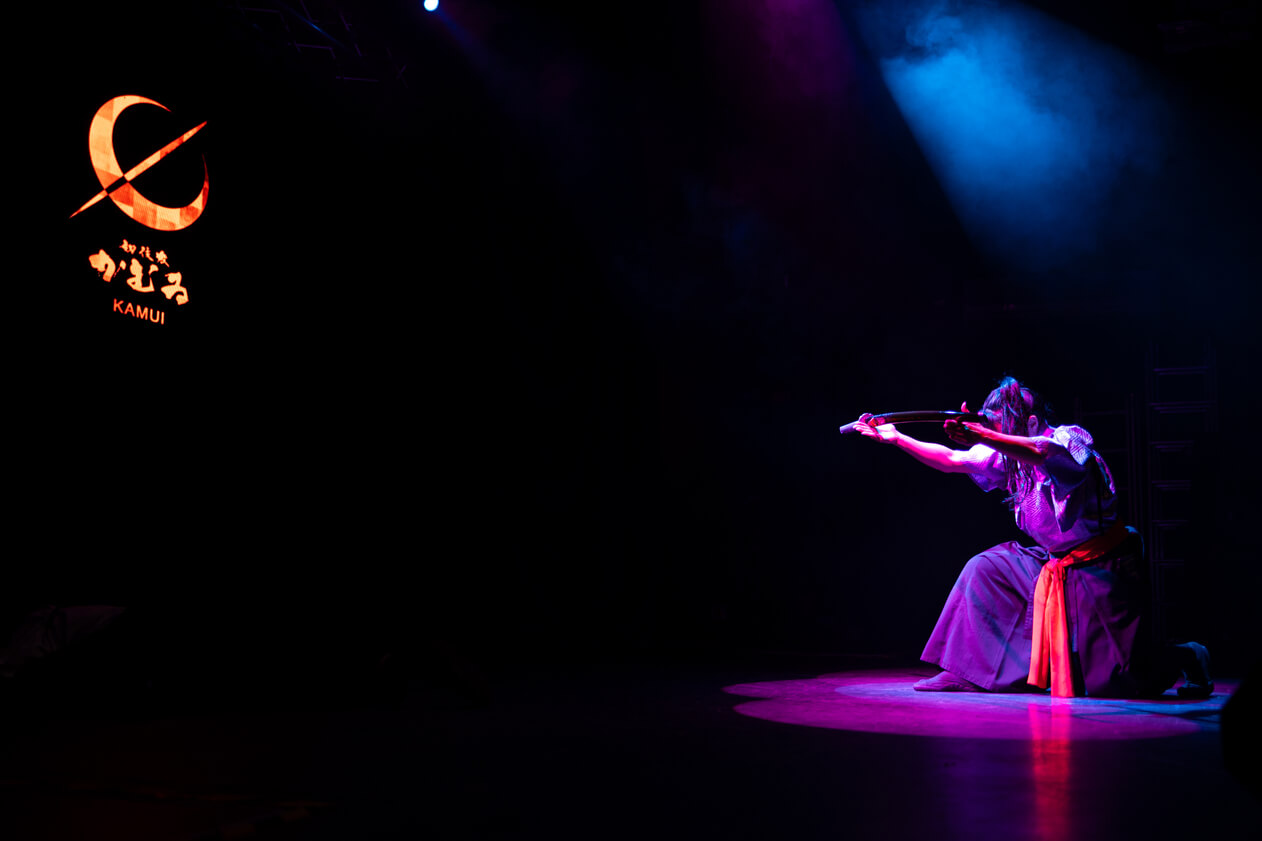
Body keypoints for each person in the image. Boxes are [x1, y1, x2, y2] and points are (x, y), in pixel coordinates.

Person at [854, 376, 1212, 698]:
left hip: (1103, 565)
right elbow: (952, 458)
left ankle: (1187, 656)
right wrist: (896, 438)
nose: (996, 438)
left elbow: (1043, 454)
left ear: (1032, 423)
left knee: (1120, 679)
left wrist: (985, 434)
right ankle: (967, 672)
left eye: (1002, 429)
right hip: (1053, 563)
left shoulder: (1068, 438)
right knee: (986, 570)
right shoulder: (1004, 457)